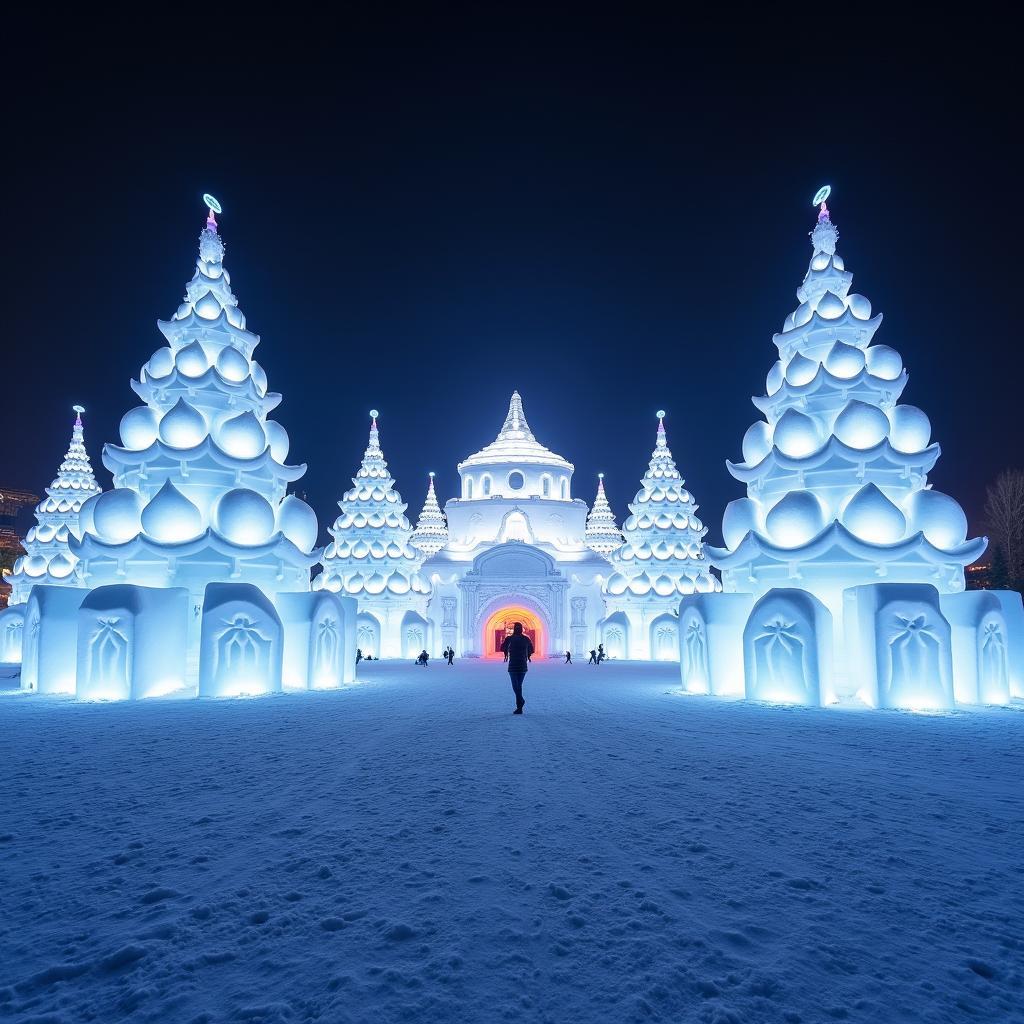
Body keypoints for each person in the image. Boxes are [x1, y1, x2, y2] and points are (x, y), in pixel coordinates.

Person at [500, 622, 534, 714]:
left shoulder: (509, 639)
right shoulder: (526, 639)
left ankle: (520, 704)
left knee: (516, 686)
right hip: (523, 665)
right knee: (518, 686)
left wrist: (506, 645)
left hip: (513, 666)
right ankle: (520, 705)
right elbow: (532, 650)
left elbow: (502, 648)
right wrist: (527, 655)